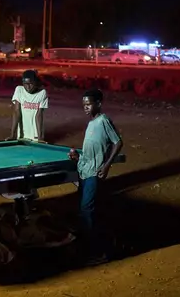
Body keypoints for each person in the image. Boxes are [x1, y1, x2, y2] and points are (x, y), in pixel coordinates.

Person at [68, 89, 123, 257]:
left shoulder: (103, 121)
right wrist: (77, 157)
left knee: (87, 208)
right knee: (87, 208)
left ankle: (94, 249)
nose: (85, 107)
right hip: (85, 170)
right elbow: (92, 149)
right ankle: (92, 243)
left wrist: (106, 165)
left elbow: (118, 142)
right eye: (84, 105)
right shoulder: (91, 123)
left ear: (98, 103)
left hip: (95, 172)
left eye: (89, 104)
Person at [7, 70, 48, 142]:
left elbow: (38, 115)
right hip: (22, 134)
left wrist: (40, 137)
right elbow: (17, 112)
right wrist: (12, 134)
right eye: (25, 84)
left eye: (30, 84)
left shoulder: (42, 93)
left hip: (35, 134)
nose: (28, 87)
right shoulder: (19, 90)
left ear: (35, 82)